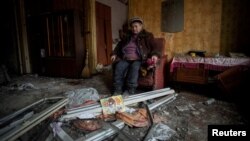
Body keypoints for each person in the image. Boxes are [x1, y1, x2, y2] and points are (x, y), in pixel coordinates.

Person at [111, 17, 160, 95]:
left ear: (141, 26)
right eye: (133, 27)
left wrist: (155, 55)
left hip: (138, 59)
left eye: (136, 26)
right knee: (118, 67)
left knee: (134, 68)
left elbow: (155, 47)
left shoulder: (147, 36)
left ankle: (130, 90)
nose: (134, 29)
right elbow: (119, 45)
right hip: (125, 58)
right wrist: (114, 54)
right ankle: (117, 90)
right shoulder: (127, 36)